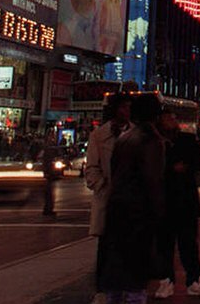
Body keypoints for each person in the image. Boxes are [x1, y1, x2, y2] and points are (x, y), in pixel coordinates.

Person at [98, 92, 167, 304]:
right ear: (155, 115)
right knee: (137, 276)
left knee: (118, 273)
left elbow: (114, 172)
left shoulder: (124, 138)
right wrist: (159, 214)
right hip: (139, 214)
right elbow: (153, 180)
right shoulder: (151, 140)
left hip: (117, 210)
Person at [155, 108, 200, 298]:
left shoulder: (186, 139)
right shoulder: (156, 142)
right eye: (168, 118)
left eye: (173, 118)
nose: (172, 121)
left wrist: (185, 166)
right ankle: (166, 281)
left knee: (188, 245)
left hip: (185, 201)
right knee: (165, 246)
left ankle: (195, 280)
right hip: (165, 202)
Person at [87, 94, 133, 304]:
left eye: (128, 107)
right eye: (123, 107)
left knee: (129, 247)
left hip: (131, 199)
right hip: (109, 199)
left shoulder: (136, 134)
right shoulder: (99, 136)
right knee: (106, 248)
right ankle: (102, 289)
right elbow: (91, 169)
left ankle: (126, 287)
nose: (127, 111)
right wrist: (101, 186)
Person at [39, 137, 64, 216]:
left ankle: (48, 209)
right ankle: (48, 209)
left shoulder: (46, 151)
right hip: (48, 174)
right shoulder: (48, 152)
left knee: (48, 193)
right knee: (48, 193)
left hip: (48, 174)